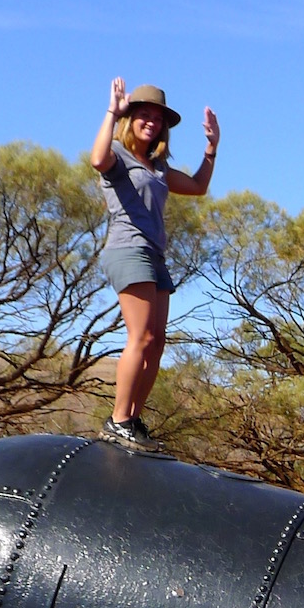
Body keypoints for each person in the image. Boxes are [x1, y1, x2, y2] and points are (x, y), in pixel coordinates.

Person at [89, 77, 219, 451]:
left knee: (157, 342)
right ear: (131, 120)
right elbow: (97, 160)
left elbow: (197, 187)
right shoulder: (118, 155)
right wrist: (113, 110)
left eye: (157, 118)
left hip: (155, 255)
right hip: (128, 250)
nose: (151, 122)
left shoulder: (158, 166)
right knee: (141, 337)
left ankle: (133, 419)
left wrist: (211, 147)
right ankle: (118, 420)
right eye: (143, 115)